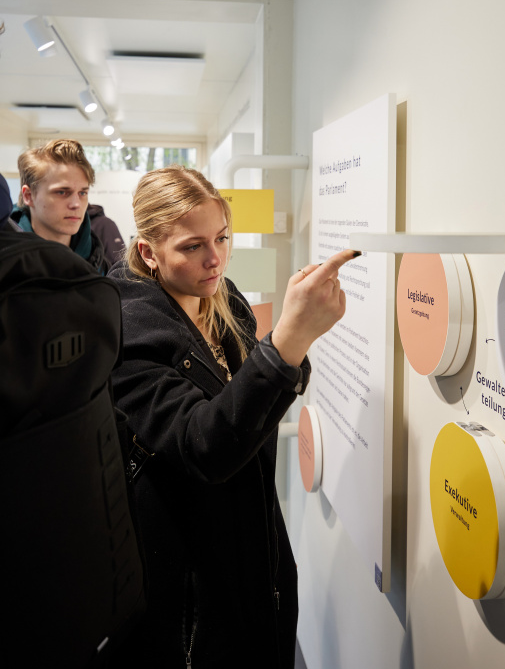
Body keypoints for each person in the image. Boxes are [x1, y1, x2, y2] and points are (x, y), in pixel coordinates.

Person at [109, 165, 358, 669]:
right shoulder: (125, 330)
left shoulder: (224, 299)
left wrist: (291, 345)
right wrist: (289, 340)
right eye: (191, 246)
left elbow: (260, 405)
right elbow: (206, 447)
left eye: (222, 238)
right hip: (187, 578)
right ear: (148, 252)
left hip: (256, 540)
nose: (215, 258)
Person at [11, 138, 107, 273]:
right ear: (28, 196)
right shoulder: (7, 264)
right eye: (62, 192)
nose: (76, 204)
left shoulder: (101, 266)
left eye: (82, 193)